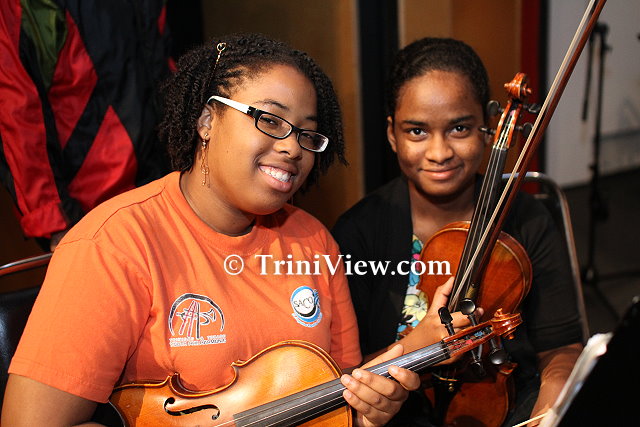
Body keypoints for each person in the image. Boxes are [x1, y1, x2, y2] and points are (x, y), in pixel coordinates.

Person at [1, 33, 432, 426]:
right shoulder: (112, 244)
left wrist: (365, 414)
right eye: (270, 120)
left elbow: (340, 392)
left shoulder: (313, 239)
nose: (291, 147)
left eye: (307, 135)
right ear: (207, 120)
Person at [332, 37, 584, 426]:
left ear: (487, 128)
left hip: (511, 406)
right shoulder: (358, 233)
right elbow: (348, 373)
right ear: (392, 134)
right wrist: (417, 345)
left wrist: (545, 414)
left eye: (460, 128)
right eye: (417, 131)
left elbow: (561, 348)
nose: (439, 153)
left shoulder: (526, 218)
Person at [0, 0, 172, 251]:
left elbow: (160, 58)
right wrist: (56, 221)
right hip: (91, 207)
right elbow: (16, 116)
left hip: (164, 181)